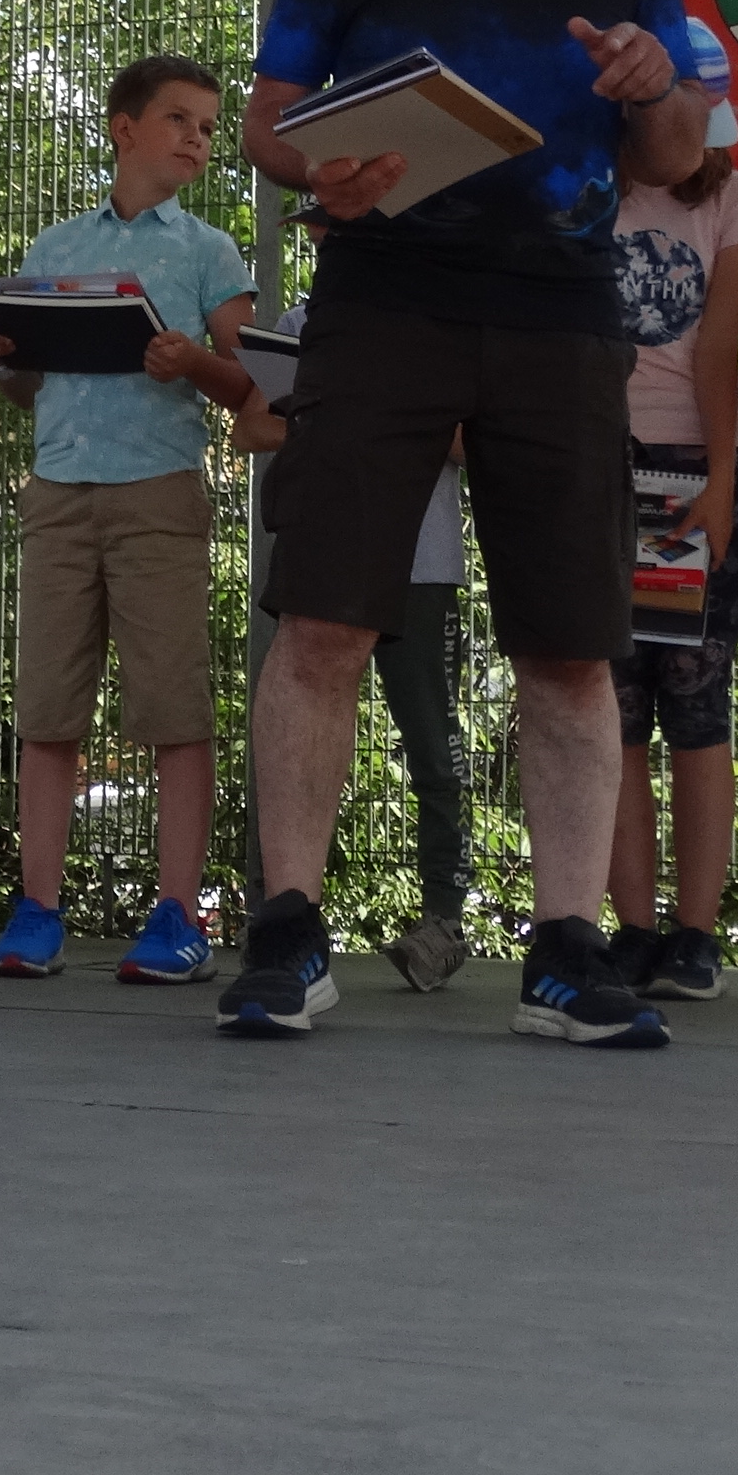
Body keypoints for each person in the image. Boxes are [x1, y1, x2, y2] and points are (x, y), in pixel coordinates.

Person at [232, 0, 705, 1043]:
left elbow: (676, 156)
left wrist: (654, 85)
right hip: (381, 300)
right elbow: (269, 123)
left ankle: (566, 947)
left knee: (571, 644)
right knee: (322, 619)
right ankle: (287, 929)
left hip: (564, 313)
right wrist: (321, 167)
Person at [0, 56, 258, 988]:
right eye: (180, 120)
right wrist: (0, 354)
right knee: (48, 710)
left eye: (208, 127)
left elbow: (252, 384)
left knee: (173, 707)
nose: (198, 140)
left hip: (159, 495)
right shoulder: (54, 248)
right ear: (124, 128)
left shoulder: (211, 251)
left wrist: (190, 363)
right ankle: (37, 911)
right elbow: (27, 387)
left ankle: (177, 915)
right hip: (56, 495)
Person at [602, 28, 738, 1003]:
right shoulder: (591, 190)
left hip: (693, 471)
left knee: (694, 701)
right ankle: (631, 929)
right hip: (599, 469)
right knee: (613, 706)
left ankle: (695, 935)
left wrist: (713, 478)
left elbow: (718, 345)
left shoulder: (734, 201)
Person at [234, 332, 474, 993]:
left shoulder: (447, 313)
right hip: (326, 557)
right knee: (297, 730)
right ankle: (285, 913)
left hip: (422, 566)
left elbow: (470, 442)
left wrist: (385, 417)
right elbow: (250, 427)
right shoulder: (299, 321)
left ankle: (444, 921)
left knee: (434, 743)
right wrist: (336, 424)